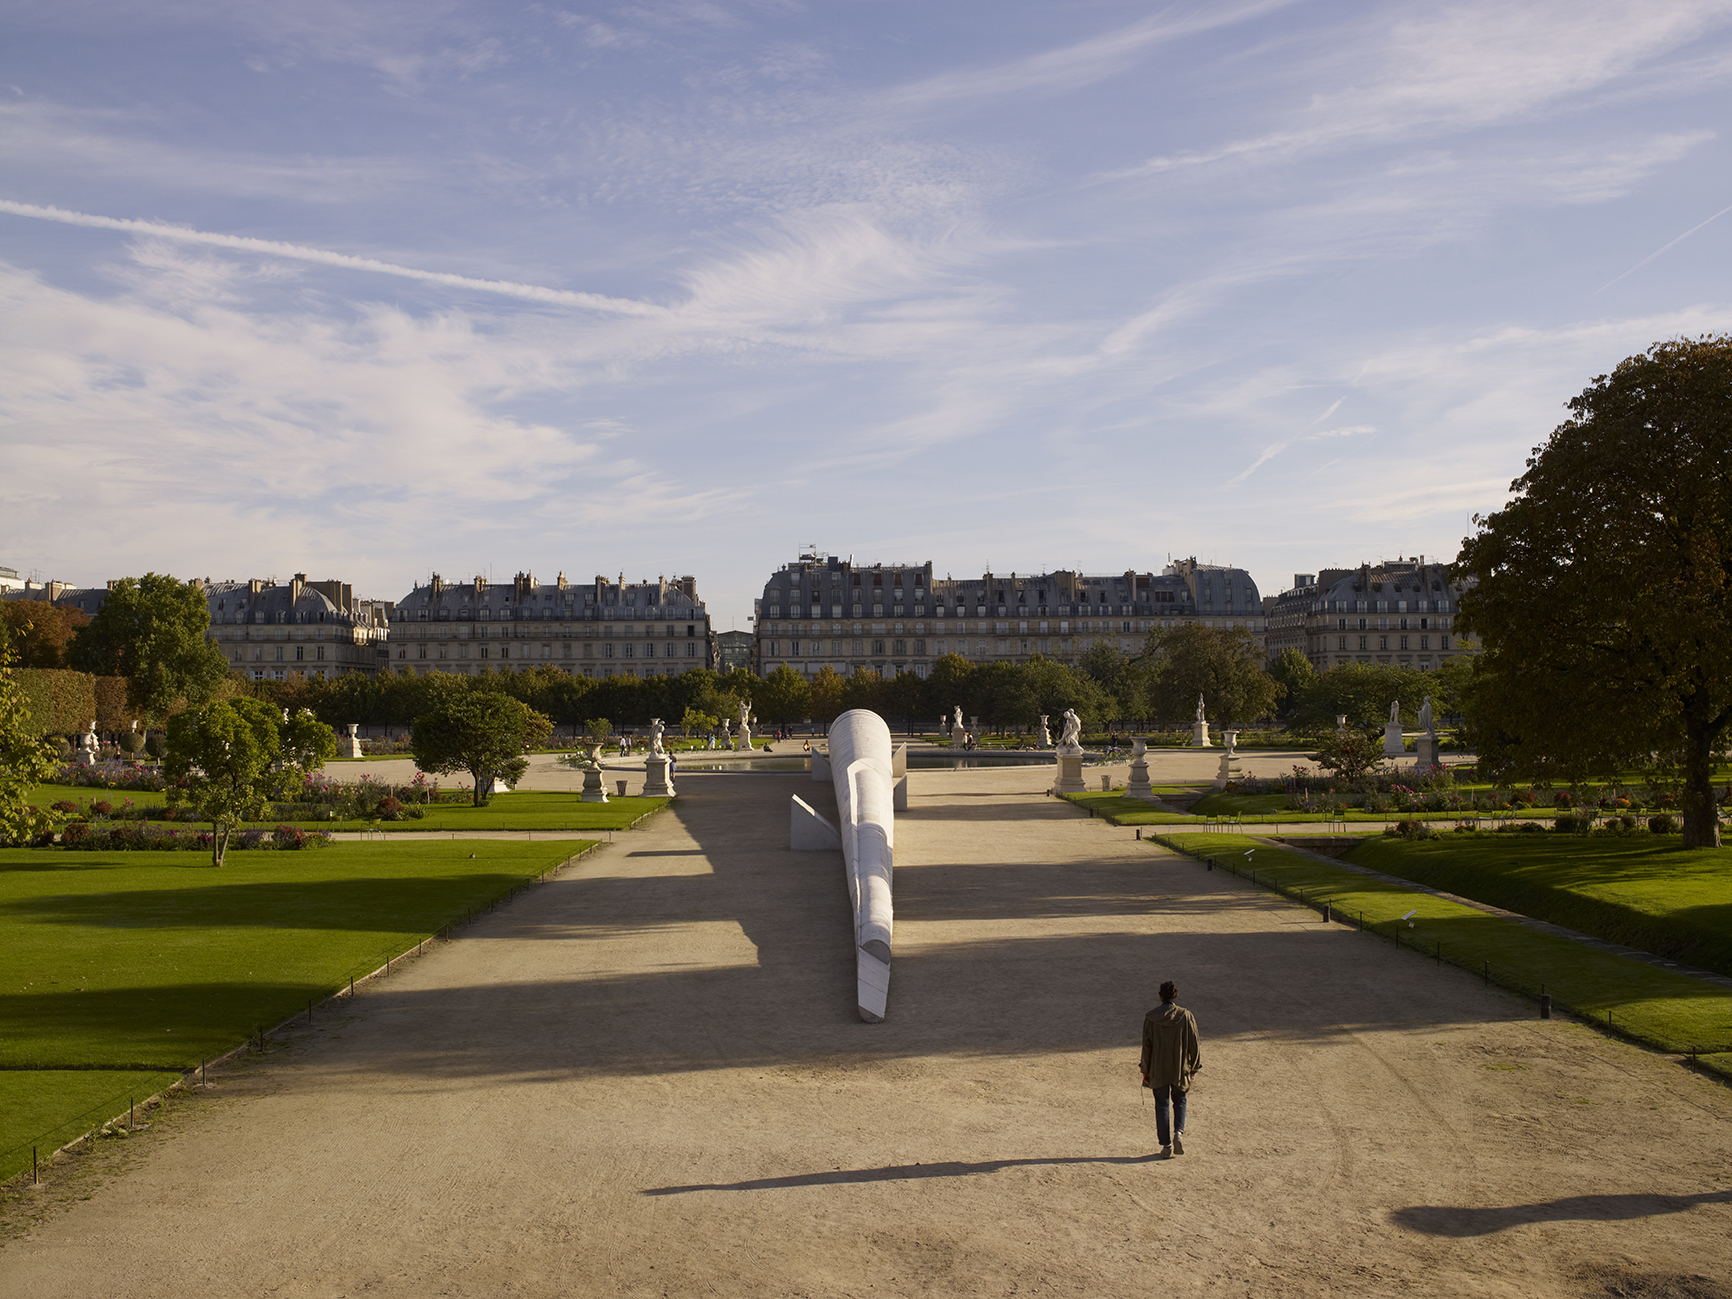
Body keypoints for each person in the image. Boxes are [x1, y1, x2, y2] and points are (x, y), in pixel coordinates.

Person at [1140, 980, 1202, 1157]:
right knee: (1180, 1100)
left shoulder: (1151, 1018)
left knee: (1161, 1104)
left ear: (1160, 995)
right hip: (1179, 1068)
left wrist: (1145, 1071)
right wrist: (1194, 1069)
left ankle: (1166, 1145)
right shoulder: (1186, 1016)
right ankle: (1178, 1133)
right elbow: (1194, 1043)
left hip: (1158, 1069)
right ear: (1175, 995)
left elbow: (1147, 1046)